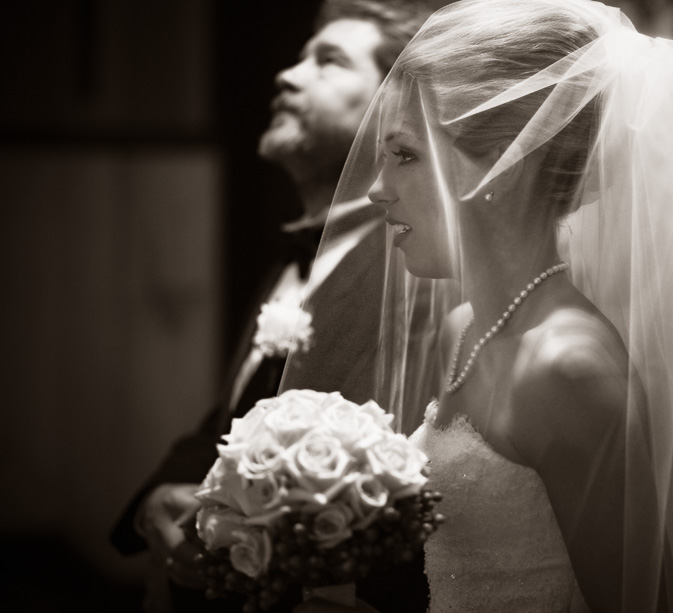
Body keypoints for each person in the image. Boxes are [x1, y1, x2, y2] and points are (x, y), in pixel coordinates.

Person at [292, 0, 673, 611]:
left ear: (504, 163)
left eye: (405, 154)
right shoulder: (466, 327)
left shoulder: (569, 367)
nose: (376, 190)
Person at [109, 2, 431, 612]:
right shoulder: (287, 265)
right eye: (300, 55)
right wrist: (159, 498)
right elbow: (235, 416)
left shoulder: (412, 277)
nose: (286, 74)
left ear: (390, 112)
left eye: (327, 61)